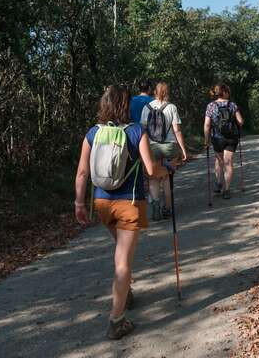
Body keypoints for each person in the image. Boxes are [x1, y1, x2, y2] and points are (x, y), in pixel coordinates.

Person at [74, 85, 168, 340]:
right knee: (123, 261)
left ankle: (125, 292)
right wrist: (166, 171)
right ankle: (117, 319)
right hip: (130, 203)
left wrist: (79, 204)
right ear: (125, 106)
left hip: (102, 204)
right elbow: (150, 169)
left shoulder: (92, 133)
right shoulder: (137, 131)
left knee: (120, 253)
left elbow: (82, 172)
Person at [140, 82, 188, 220]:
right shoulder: (171, 107)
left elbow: (142, 130)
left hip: (151, 147)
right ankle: (167, 209)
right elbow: (177, 131)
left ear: (154, 91)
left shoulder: (146, 108)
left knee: (153, 178)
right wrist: (183, 149)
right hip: (170, 146)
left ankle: (155, 208)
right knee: (167, 177)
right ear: (167, 92)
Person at [204, 84, 244, 200]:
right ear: (225, 92)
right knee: (228, 163)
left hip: (217, 138)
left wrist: (206, 140)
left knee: (219, 160)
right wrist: (238, 124)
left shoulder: (210, 106)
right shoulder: (232, 105)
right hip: (231, 137)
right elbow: (240, 121)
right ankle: (226, 190)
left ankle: (218, 182)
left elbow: (207, 125)